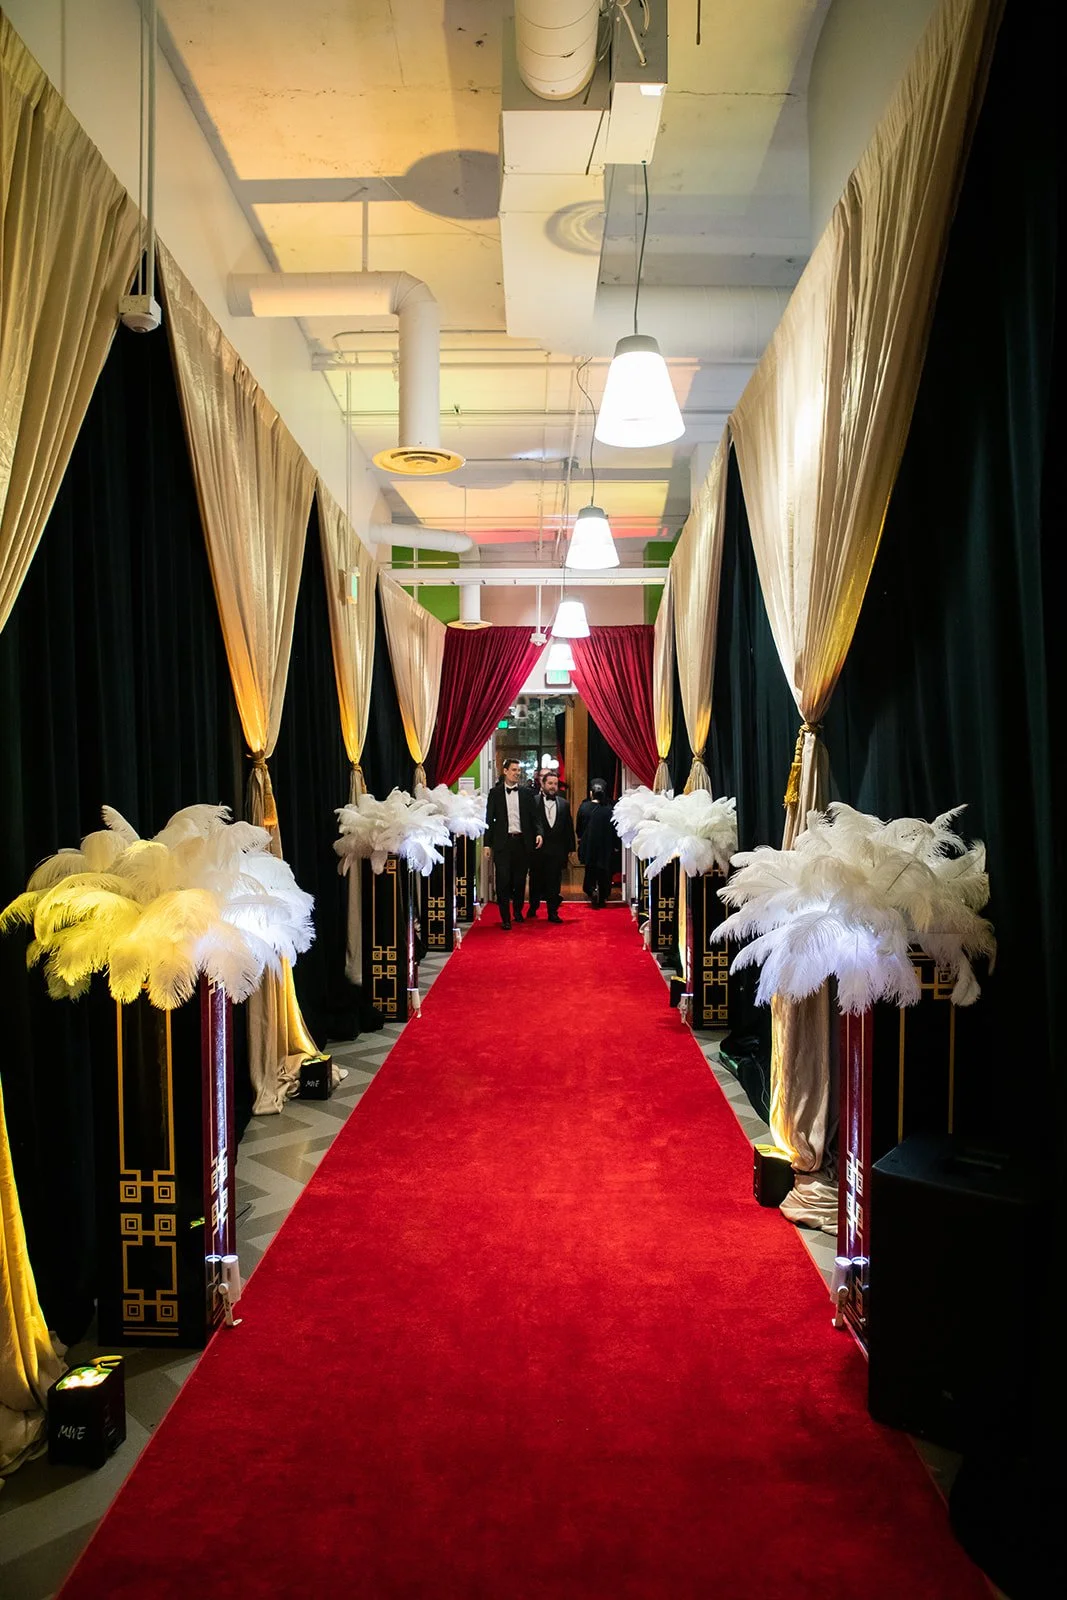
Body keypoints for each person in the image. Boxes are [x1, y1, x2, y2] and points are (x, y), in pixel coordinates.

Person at [484, 758, 542, 929]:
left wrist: (539, 833)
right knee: (503, 880)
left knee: (519, 880)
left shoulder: (526, 793)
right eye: (514, 770)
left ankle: (517, 911)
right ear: (505, 771)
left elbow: (535, 817)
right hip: (503, 844)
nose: (517, 773)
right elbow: (489, 820)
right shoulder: (494, 793)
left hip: (522, 843)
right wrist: (487, 844)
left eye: (519, 770)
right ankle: (505, 918)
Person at [529, 770, 575, 922]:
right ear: (542, 784)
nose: (553, 786)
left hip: (557, 850)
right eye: (550, 783)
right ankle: (533, 906)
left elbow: (568, 826)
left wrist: (571, 848)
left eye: (555, 784)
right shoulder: (533, 801)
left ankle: (553, 912)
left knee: (554, 882)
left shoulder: (564, 803)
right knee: (536, 880)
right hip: (537, 851)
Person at [578, 779, 615, 907]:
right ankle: (603, 895)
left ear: (591, 793)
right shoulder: (610, 809)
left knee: (590, 869)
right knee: (605, 870)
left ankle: (591, 889)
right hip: (605, 845)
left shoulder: (584, 807)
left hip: (589, 845)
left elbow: (579, 828)